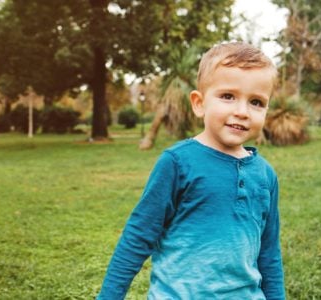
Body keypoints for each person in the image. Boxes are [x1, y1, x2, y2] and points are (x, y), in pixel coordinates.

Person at [97, 42, 285, 299]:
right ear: (199, 103)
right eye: (228, 96)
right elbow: (138, 236)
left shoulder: (265, 175)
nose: (242, 112)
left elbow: (269, 253)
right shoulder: (177, 163)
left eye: (256, 102)